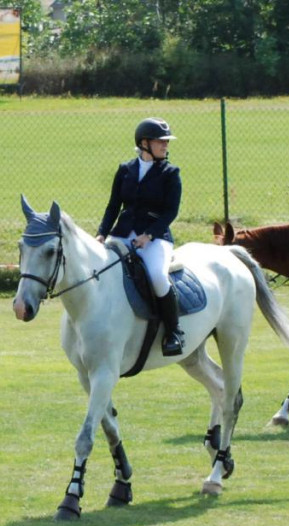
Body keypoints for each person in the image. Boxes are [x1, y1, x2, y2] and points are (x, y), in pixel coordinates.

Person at [97, 117, 185, 355]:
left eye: (167, 142)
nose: (166, 146)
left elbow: (170, 212)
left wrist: (149, 235)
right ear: (144, 143)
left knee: (157, 276)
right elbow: (113, 206)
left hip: (156, 238)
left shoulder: (170, 173)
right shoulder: (125, 170)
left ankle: (173, 332)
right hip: (123, 234)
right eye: (161, 142)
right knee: (101, 270)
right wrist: (101, 233)